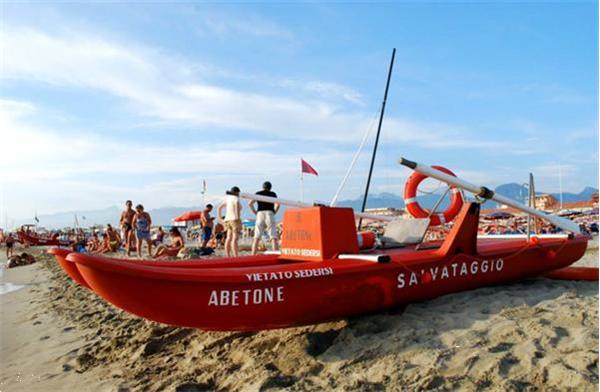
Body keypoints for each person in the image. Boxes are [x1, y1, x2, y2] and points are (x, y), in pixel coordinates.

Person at [249, 181, 280, 255]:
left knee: (256, 236)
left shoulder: (258, 193)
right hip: (270, 213)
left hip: (260, 213)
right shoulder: (273, 194)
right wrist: (274, 212)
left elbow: (250, 203)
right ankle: (275, 254)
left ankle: (253, 255)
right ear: (270, 188)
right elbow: (278, 204)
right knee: (273, 236)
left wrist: (255, 212)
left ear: (263, 187)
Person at [218, 186, 242, 258]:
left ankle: (227, 255)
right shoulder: (236, 199)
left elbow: (219, 208)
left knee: (228, 238)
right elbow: (237, 210)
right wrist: (238, 219)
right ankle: (235, 256)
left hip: (227, 219)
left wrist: (220, 218)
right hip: (234, 219)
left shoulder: (228, 199)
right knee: (235, 238)